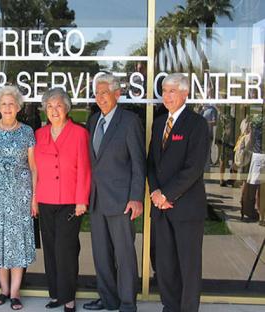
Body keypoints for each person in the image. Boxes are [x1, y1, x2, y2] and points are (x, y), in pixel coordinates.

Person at [83, 74, 145, 312]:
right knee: (101, 255)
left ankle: (128, 303)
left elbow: (139, 164)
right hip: (97, 200)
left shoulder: (129, 121)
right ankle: (108, 300)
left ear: (117, 94)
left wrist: (136, 197)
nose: (100, 98)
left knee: (124, 256)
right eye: (97, 93)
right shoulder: (93, 121)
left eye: (104, 93)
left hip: (121, 201)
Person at [147, 73, 209, 312]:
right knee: (165, 264)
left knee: (188, 265)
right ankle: (170, 306)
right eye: (164, 90)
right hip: (161, 208)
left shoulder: (197, 124)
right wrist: (155, 192)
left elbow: (193, 168)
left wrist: (167, 195)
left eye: (172, 91)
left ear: (185, 94)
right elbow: (151, 162)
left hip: (186, 209)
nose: (167, 95)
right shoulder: (160, 122)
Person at [0, 85, 38, 311]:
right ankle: (3, 289)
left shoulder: (27, 132)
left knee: (17, 242)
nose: (8, 107)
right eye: (4, 104)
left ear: (18, 107)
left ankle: (15, 292)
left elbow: (33, 167)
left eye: (12, 104)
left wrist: (34, 198)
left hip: (20, 195)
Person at [34, 88, 91, 312]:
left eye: (58, 106)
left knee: (65, 249)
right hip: (46, 200)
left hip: (70, 201)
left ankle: (69, 298)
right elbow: (34, 170)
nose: (54, 110)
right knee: (49, 248)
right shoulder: (39, 135)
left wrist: (81, 200)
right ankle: (56, 293)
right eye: (49, 106)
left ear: (66, 108)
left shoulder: (79, 133)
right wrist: (34, 199)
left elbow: (85, 169)